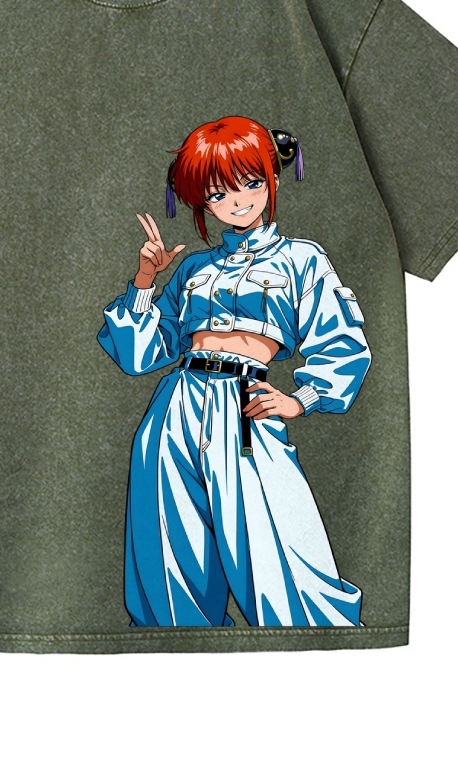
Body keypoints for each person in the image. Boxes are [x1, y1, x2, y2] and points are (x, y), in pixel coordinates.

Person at [97, 116, 371, 627]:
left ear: (272, 176)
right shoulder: (193, 268)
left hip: (246, 407)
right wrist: (145, 279)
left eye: (249, 182)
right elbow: (140, 355)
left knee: (280, 554)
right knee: (169, 557)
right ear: (202, 202)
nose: (237, 200)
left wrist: (300, 399)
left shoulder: (302, 259)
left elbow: (342, 342)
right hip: (174, 407)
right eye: (218, 193)